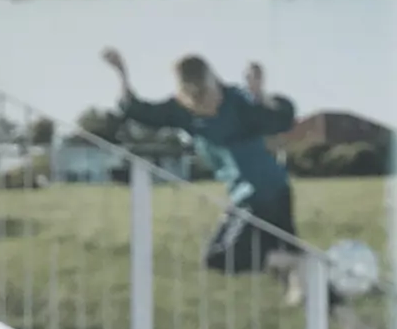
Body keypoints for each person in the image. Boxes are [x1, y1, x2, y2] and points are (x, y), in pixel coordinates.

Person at [104, 47, 302, 291]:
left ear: (215, 83)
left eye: (209, 96)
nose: (207, 105)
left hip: (268, 193)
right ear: (186, 97)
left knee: (225, 257)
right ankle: (301, 271)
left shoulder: (238, 101)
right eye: (197, 101)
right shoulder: (181, 112)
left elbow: (282, 119)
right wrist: (121, 73)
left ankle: (297, 266)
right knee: (224, 258)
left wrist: (260, 94)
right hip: (244, 196)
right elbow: (137, 110)